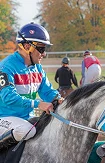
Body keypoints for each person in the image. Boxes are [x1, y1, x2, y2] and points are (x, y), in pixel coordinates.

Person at [0, 22, 63, 151]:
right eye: (41, 49)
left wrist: (60, 99)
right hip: (5, 118)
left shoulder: (37, 69)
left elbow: (48, 92)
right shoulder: (6, 67)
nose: (44, 54)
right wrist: (38, 104)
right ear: (27, 46)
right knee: (26, 130)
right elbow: (9, 97)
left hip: (27, 119)